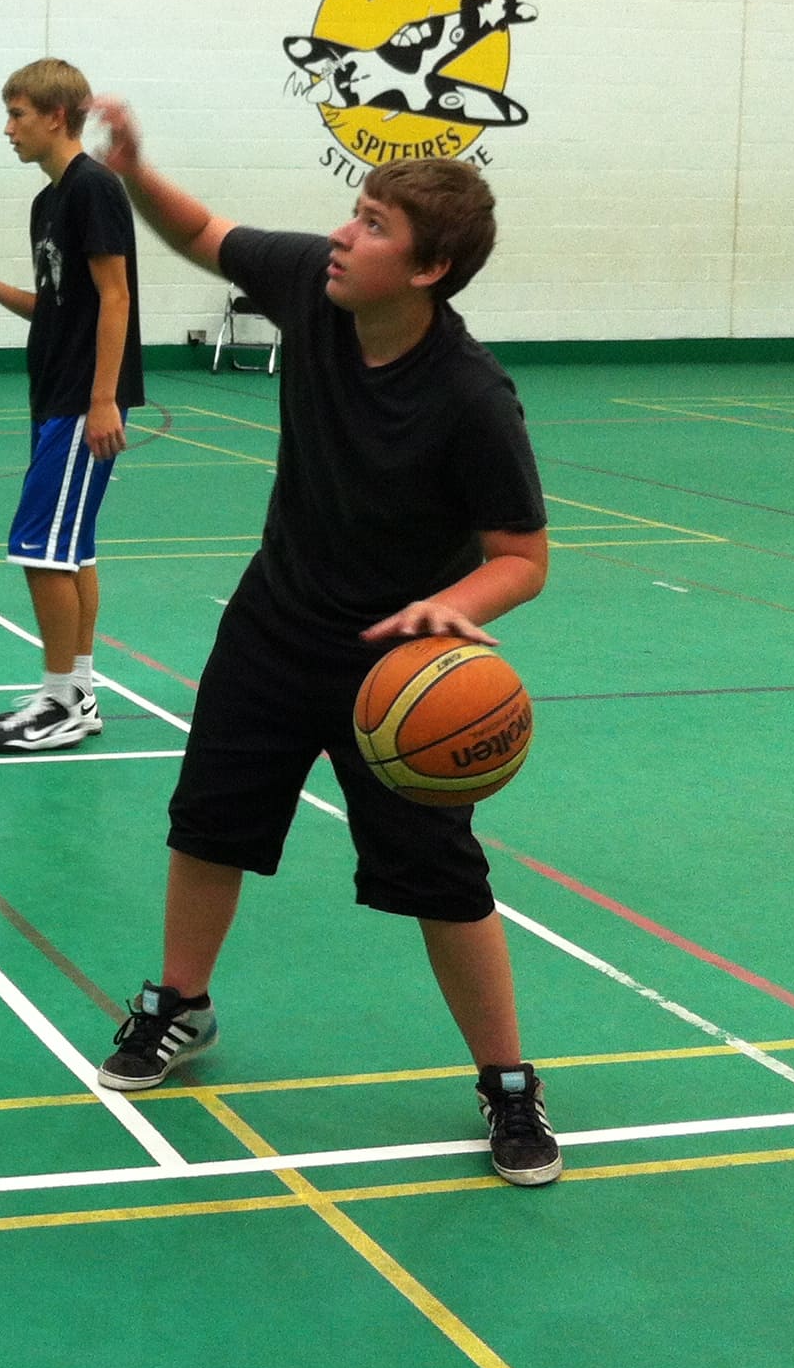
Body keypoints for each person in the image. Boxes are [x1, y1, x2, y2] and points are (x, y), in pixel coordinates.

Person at [93, 101, 563, 1187]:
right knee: (209, 823)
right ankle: (180, 1002)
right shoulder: (312, 283)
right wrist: (137, 168)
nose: (346, 235)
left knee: (441, 877)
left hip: (396, 674)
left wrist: (455, 609)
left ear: (430, 269)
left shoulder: (471, 398)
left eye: (377, 226)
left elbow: (524, 556)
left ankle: (507, 1082)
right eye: (353, 213)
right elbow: (205, 233)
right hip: (274, 623)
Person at [0, 59, 143, 754]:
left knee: (39, 550)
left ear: (56, 116)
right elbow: (55, 308)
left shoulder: (94, 189)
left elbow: (116, 297)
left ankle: (61, 699)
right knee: (69, 549)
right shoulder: (46, 203)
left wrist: (104, 398)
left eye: (17, 114)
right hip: (53, 394)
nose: (8, 129)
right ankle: (74, 689)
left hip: (84, 401)